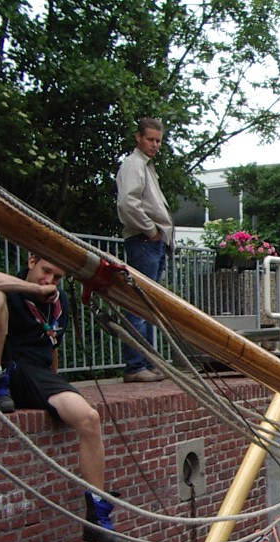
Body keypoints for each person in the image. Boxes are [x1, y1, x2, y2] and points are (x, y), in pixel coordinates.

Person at [0, 257, 126, 542]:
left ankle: (96, 515)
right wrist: (33, 290)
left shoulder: (59, 301)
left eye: (57, 277)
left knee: (89, 418)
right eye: (45, 271)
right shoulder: (10, 287)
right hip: (7, 367)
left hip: (38, 375)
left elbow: (52, 344)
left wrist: (56, 383)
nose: (50, 281)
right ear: (31, 261)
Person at [116, 117, 174, 383]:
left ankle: (146, 362)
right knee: (139, 303)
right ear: (138, 137)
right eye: (150, 139)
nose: (155, 145)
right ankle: (135, 365)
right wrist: (150, 230)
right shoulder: (134, 164)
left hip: (151, 240)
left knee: (148, 305)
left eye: (158, 141)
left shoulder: (146, 166)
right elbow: (128, 203)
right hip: (144, 240)